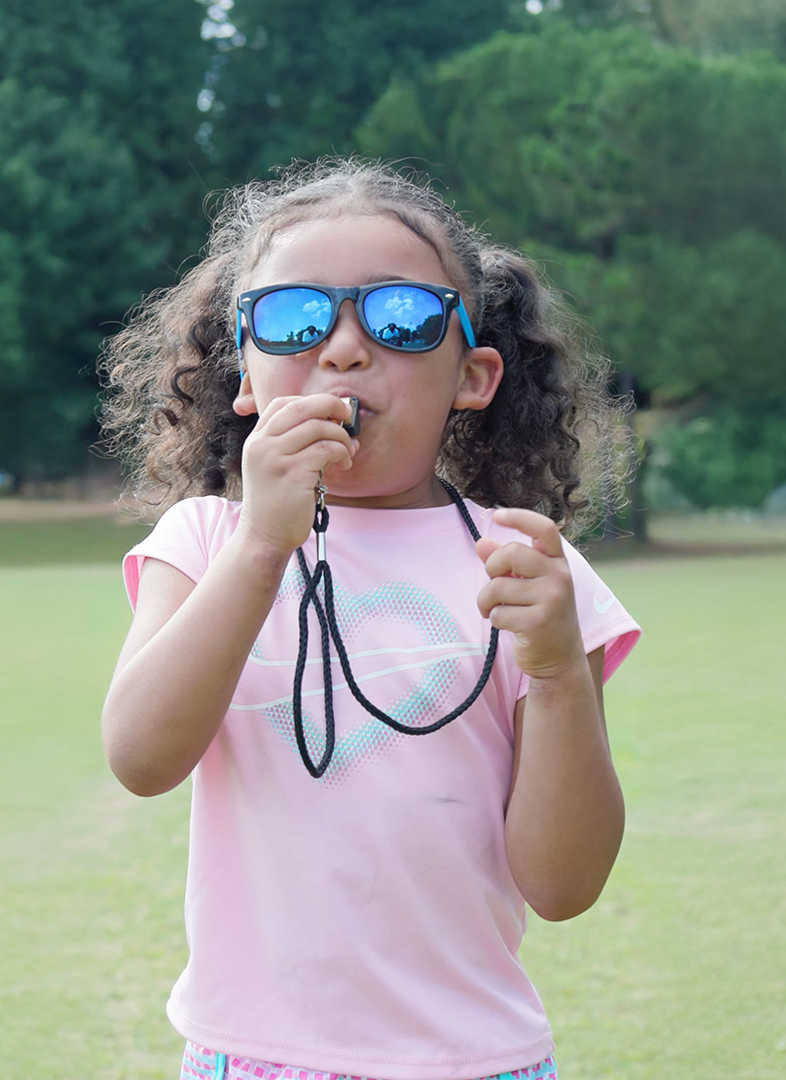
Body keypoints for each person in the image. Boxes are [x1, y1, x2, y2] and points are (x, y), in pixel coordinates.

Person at [99, 159, 641, 1080]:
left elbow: (563, 885)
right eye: (294, 318)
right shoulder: (203, 542)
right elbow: (141, 759)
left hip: (475, 1059)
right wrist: (264, 546)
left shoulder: (531, 570)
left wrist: (554, 674)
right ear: (245, 374)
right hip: (254, 1055)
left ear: (472, 376)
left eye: (398, 317)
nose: (343, 349)